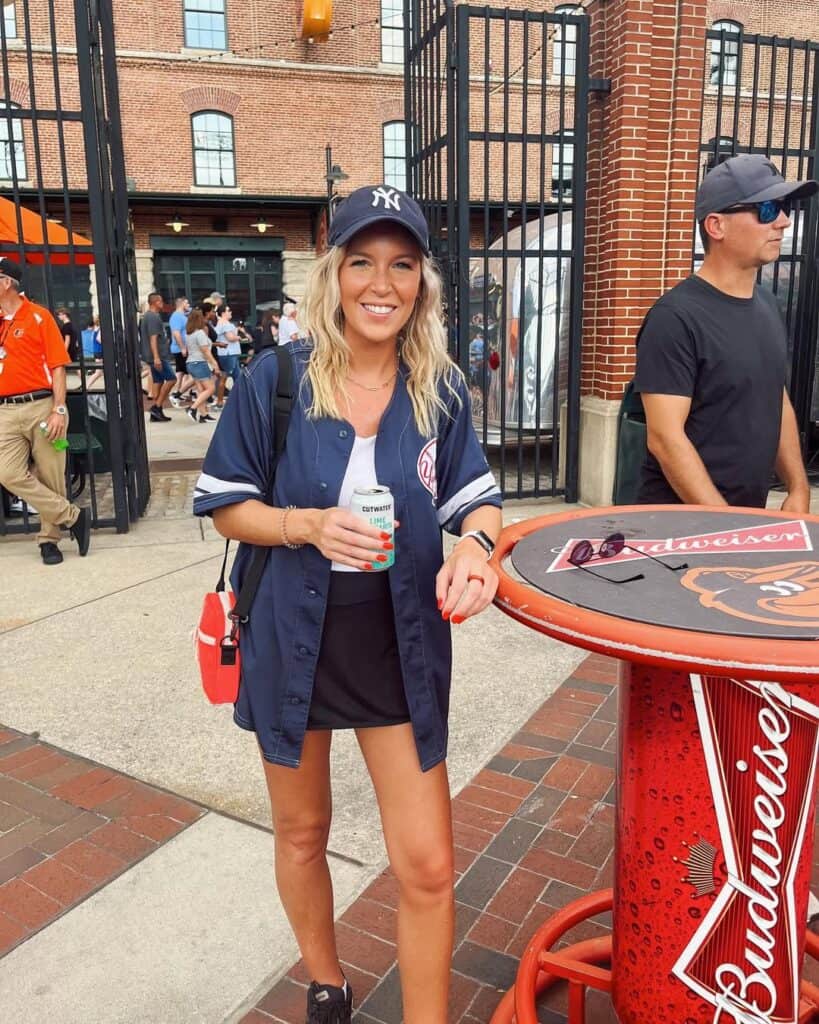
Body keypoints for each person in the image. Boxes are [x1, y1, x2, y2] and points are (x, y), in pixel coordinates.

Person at [193, 184, 502, 1024]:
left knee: (428, 865)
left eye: (401, 264)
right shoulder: (277, 378)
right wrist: (304, 526)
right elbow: (225, 502)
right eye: (361, 261)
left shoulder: (439, 390)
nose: (381, 282)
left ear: (421, 284)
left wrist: (476, 547)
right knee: (300, 833)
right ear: (332, 275)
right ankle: (327, 982)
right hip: (293, 632)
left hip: (396, 641)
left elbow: (475, 498)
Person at [634, 153, 818, 512]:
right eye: (766, 209)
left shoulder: (767, 306)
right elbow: (665, 439)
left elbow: (774, 398)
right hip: (678, 528)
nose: (781, 221)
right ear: (716, 226)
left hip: (743, 522)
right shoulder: (674, 318)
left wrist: (798, 487)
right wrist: (725, 524)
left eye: (784, 207)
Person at [0, 258, 90, 564]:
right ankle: (73, 516)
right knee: (7, 472)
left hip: (42, 405)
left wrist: (59, 409)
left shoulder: (39, 317)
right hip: (6, 410)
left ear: (6, 282)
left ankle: (48, 540)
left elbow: (57, 366)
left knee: (53, 474)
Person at [139, 292, 174, 422]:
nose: (162, 304)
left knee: (158, 381)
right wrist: (157, 357)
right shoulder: (153, 317)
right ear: (155, 302)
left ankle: (157, 411)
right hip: (158, 356)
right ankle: (157, 406)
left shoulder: (149, 316)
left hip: (155, 355)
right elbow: (153, 338)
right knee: (171, 379)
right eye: (160, 301)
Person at [184, 307, 220, 423]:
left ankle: (203, 414)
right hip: (199, 363)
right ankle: (192, 408)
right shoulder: (199, 333)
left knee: (201, 390)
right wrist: (214, 364)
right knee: (210, 388)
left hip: (191, 363)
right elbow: (205, 351)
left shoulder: (189, 334)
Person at [212, 303, 246, 411]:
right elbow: (230, 338)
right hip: (228, 354)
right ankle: (219, 402)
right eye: (228, 310)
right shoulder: (224, 324)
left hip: (230, 354)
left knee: (238, 377)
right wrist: (239, 338)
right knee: (224, 377)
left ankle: (239, 401)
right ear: (223, 313)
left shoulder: (223, 323)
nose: (231, 312)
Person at [168, 295, 193, 407]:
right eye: (187, 303)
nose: (188, 306)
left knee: (181, 372)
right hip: (181, 349)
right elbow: (176, 333)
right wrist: (183, 347)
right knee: (190, 373)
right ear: (182, 304)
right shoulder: (176, 317)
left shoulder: (183, 316)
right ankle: (176, 394)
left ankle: (176, 394)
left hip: (183, 348)